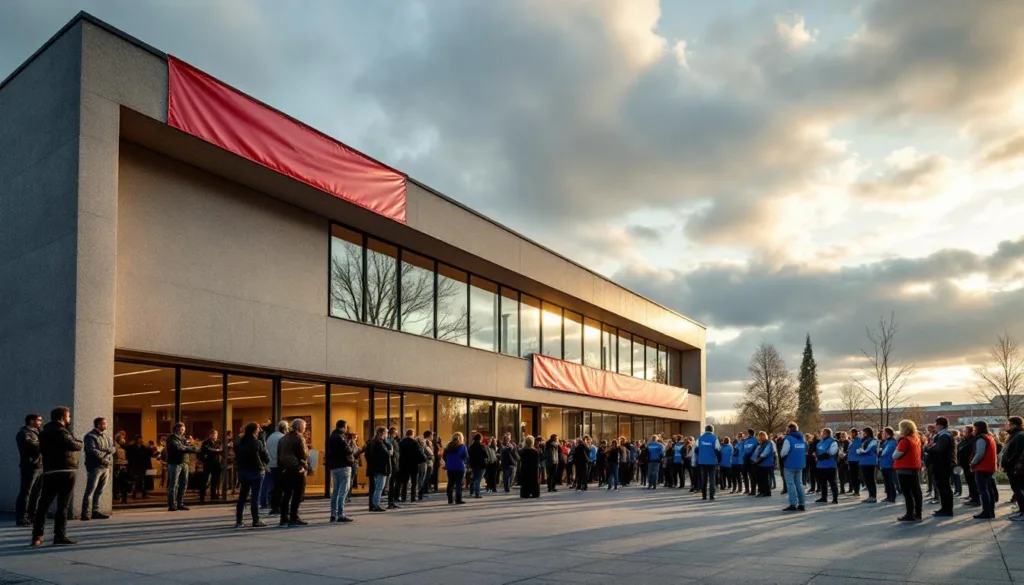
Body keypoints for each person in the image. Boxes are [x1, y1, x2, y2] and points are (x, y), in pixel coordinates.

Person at [31, 407, 83, 547]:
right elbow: (75, 445)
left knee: (44, 504)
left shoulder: (43, 432)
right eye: (68, 416)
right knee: (63, 505)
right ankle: (59, 535)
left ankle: (37, 535)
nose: (69, 419)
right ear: (63, 417)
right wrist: (76, 439)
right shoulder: (62, 431)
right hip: (66, 470)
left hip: (49, 470)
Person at [234, 421, 270, 528]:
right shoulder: (257, 443)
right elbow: (266, 458)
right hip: (256, 471)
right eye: (258, 429)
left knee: (242, 496)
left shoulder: (240, 443)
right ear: (255, 430)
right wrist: (263, 442)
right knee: (255, 496)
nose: (259, 430)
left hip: (243, 471)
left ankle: (239, 520)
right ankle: (256, 519)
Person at [80, 417, 116, 521]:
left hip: (106, 466)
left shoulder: (107, 437)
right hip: (95, 466)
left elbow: (113, 448)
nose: (106, 425)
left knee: (100, 490)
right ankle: (85, 513)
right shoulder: (89, 436)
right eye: (104, 424)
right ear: (98, 424)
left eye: (106, 423)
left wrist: (106, 452)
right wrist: (106, 453)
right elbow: (93, 451)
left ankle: (95, 511)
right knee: (90, 490)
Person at [276, 418, 310, 526]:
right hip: (297, 469)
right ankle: (294, 517)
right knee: (297, 495)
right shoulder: (299, 438)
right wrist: (304, 465)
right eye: (304, 428)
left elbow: (279, 454)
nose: (304, 430)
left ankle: (284, 517)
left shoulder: (283, 438)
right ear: (300, 428)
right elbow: (303, 454)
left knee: (286, 494)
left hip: (285, 469)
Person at [15, 413, 43, 527]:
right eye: (39, 420)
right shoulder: (24, 433)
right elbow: (33, 447)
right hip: (30, 466)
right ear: (31, 421)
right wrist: (44, 444)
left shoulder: (38, 432)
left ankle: (32, 516)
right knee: (26, 492)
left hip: (40, 466)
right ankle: (21, 517)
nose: (40, 422)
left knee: (37, 492)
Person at [893, 419, 923, 522]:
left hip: (904, 468)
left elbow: (895, 455)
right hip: (914, 467)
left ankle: (909, 514)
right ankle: (918, 513)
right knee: (916, 492)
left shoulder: (905, 440)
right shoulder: (916, 438)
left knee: (907, 493)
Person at [925, 416, 956, 517]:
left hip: (943, 464)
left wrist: (929, 449)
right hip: (940, 464)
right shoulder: (941, 435)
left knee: (944, 487)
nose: (934, 426)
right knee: (942, 487)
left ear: (939, 425)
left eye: (935, 424)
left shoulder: (944, 436)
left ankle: (947, 509)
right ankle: (944, 508)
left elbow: (938, 449)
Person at [327, 419, 355, 523]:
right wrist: (350, 443)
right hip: (343, 466)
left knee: (335, 491)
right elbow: (348, 450)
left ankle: (333, 514)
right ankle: (340, 514)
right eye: (346, 427)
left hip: (334, 466)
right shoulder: (341, 437)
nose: (347, 429)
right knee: (343, 492)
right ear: (343, 427)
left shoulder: (331, 437)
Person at [165, 422, 198, 512]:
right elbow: (179, 448)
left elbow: (192, 447)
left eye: (183, 429)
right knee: (174, 484)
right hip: (175, 463)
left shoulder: (183, 439)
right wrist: (189, 447)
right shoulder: (171, 438)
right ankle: (172, 504)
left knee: (184, 484)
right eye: (181, 429)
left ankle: (180, 503)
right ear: (176, 429)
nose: (182, 431)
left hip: (185, 463)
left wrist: (189, 446)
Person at [970, 420, 998, 520]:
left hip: (982, 467)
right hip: (990, 467)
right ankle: (991, 511)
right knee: (989, 490)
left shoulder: (981, 438)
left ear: (978, 428)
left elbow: (979, 453)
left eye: (974, 428)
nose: (973, 430)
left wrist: (972, 463)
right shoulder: (990, 437)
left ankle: (986, 512)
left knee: (983, 490)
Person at [780, 423, 806, 511]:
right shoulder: (802, 438)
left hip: (790, 464)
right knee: (799, 483)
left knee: (790, 484)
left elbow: (784, 452)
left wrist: (781, 456)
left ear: (790, 429)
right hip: (800, 464)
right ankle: (802, 503)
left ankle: (793, 503)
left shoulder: (788, 439)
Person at [1002, 416, 1024, 522]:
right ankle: (1021, 510)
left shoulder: (1019, 436)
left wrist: (1009, 463)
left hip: (1016, 469)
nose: (1007, 426)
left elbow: (1017, 453)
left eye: (1009, 424)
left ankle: (1023, 512)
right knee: (1017, 490)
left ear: (1015, 424)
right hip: (1012, 468)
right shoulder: (1014, 435)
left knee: (1020, 490)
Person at [262, 420, 287, 513]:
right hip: (279, 464)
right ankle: (278, 506)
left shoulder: (270, 437)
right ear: (284, 428)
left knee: (273, 486)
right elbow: (282, 453)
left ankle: (272, 505)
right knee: (280, 487)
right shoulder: (282, 437)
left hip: (271, 464)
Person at [367, 427, 392, 512]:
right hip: (381, 468)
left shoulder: (373, 442)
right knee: (379, 487)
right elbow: (386, 454)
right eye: (386, 433)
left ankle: (374, 504)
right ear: (382, 433)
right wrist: (390, 452)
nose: (387, 435)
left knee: (377, 487)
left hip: (376, 467)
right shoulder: (379, 443)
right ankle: (376, 504)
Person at [398, 429, 424, 503]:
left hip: (404, 464)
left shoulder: (401, 442)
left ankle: (403, 497)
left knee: (405, 482)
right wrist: (422, 460)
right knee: (414, 482)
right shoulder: (414, 443)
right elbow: (419, 453)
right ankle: (413, 497)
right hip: (413, 464)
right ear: (412, 434)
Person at [695, 425, 721, 501]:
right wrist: (718, 460)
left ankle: (704, 496)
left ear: (705, 430)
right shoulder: (714, 438)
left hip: (702, 461)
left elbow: (696, 450)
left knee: (704, 479)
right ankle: (711, 496)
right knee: (712, 479)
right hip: (712, 461)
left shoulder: (700, 438)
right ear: (712, 430)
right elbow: (718, 450)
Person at [814, 428, 839, 504]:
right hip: (820, 465)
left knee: (832, 482)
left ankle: (835, 499)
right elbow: (817, 450)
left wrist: (820, 457)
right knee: (823, 482)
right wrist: (815, 454)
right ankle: (824, 497)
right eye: (822, 433)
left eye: (824, 433)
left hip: (830, 465)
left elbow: (831, 452)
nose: (822, 434)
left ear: (828, 434)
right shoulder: (820, 442)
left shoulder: (833, 442)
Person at [198, 429, 223, 504]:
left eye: (216, 434)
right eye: (213, 434)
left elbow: (221, 449)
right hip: (208, 463)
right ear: (209, 435)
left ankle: (213, 495)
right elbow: (207, 449)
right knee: (205, 480)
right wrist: (216, 450)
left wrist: (217, 450)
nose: (215, 436)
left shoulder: (218, 442)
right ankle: (202, 496)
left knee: (215, 480)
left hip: (217, 463)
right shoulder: (205, 442)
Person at [444, 432, 469, 504]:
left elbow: (444, 455)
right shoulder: (462, 446)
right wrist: (465, 463)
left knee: (450, 483)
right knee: (459, 484)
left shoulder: (448, 446)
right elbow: (466, 457)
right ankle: (458, 499)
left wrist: (448, 462)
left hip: (450, 467)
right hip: (460, 467)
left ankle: (450, 499)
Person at [958, 425, 979, 507]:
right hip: (964, 463)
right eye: (964, 431)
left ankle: (975, 499)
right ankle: (972, 496)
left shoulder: (973, 441)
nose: (965, 433)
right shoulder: (965, 440)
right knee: (969, 481)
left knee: (972, 481)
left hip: (969, 463)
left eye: (966, 431)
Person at [856, 427, 879, 504]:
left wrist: (860, 451)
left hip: (870, 462)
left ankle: (873, 497)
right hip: (863, 462)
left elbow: (866, 450)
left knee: (871, 480)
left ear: (867, 433)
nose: (862, 434)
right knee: (867, 480)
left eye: (863, 432)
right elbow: (858, 450)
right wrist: (860, 451)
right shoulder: (864, 441)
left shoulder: (873, 441)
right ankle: (870, 496)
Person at [753, 431, 776, 497]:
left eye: (760, 436)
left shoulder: (768, 443)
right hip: (761, 464)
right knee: (761, 478)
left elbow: (765, 453)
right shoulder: (761, 444)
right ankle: (762, 491)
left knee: (765, 479)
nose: (759, 438)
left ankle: (766, 492)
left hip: (766, 463)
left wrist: (757, 460)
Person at [879, 427, 898, 503]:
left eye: (883, 433)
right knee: (886, 481)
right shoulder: (886, 442)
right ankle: (888, 496)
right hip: (884, 464)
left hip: (889, 464)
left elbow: (885, 452)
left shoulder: (892, 442)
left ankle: (892, 497)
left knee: (890, 481)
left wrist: (880, 453)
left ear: (888, 434)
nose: (882, 435)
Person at [467, 433, 487, 498]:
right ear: (480, 439)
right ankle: (477, 493)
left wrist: (469, 464)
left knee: (475, 478)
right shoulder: (482, 446)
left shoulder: (471, 447)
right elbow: (486, 455)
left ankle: (472, 491)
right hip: (481, 465)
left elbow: (468, 456)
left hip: (473, 465)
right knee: (478, 479)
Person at [741, 429, 759, 495]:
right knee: (745, 475)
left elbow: (757, 450)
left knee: (752, 475)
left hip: (751, 460)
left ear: (749, 433)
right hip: (745, 459)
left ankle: (753, 490)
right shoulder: (745, 441)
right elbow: (743, 449)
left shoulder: (755, 441)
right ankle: (747, 489)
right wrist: (743, 456)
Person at [847, 428, 862, 497]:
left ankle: (857, 491)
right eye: (851, 433)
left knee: (856, 476)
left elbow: (861, 448)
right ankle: (854, 490)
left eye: (853, 433)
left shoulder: (859, 440)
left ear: (856, 433)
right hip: (850, 460)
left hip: (856, 460)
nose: (851, 434)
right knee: (852, 476)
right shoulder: (851, 441)